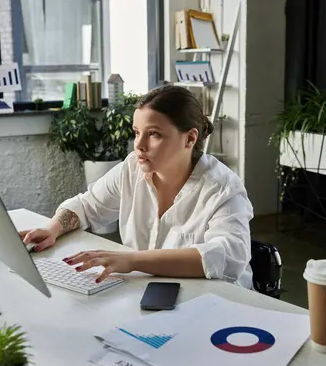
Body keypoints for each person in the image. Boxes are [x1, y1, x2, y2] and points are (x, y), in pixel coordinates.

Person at [20, 84, 255, 288]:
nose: (139, 145)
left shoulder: (223, 188)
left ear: (190, 138)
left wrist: (132, 260)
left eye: (153, 134)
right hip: (153, 295)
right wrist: (52, 229)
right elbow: (86, 205)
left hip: (219, 306)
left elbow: (227, 256)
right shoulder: (132, 168)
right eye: (136, 132)